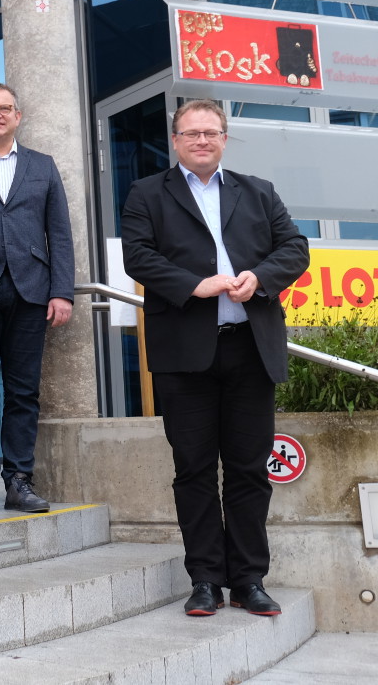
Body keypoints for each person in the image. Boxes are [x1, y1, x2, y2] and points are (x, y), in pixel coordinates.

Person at [121, 99, 308, 618]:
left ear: (225, 138)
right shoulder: (146, 194)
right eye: (191, 133)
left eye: (211, 132)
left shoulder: (258, 191)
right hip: (185, 354)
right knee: (194, 469)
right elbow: (137, 256)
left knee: (250, 471)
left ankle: (249, 579)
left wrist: (261, 279)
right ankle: (205, 578)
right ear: (175, 140)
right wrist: (194, 285)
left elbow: (295, 247)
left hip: (251, 348)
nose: (201, 140)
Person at [0, 84, 74, 515]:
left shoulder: (42, 165)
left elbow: (59, 233)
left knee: (24, 390)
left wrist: (62, 291)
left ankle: (19, 479)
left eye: (4, 108)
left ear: (18, 116)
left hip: (32, 289)